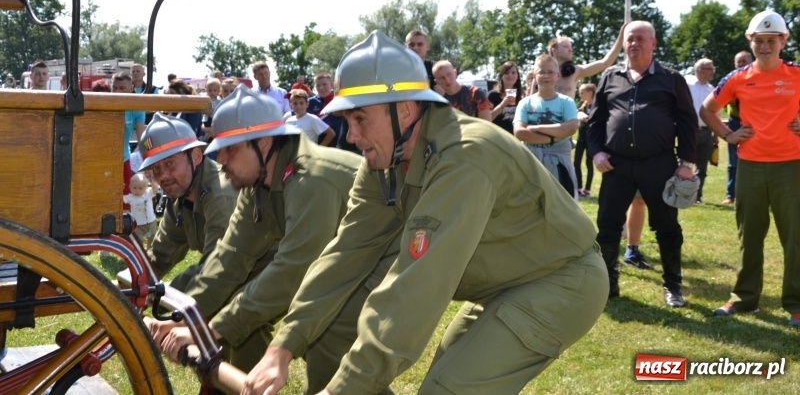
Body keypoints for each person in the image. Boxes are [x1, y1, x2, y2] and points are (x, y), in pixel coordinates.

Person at [242, 31, 608, 395]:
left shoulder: (465, 157)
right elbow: (345, 253)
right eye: (347, 120)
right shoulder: (385, 162)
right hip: (504, 285)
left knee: (446, 389)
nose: (350, 136)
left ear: (403, 110)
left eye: (360, 119)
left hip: (560, 282)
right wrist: (283, 347)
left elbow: (416, 285)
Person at [149, 88, 376, 382]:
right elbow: (229, 258)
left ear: (265, 142)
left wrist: (209, 328)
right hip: (350, 265)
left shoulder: (312, 178)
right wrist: (187, 318)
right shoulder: (255, 183)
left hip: (390, 260)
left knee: (329, 343)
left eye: (231, 148)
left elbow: (293, 270)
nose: (222, 159)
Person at [700, 10, 800, 328]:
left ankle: (796, 304)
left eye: (772, 40)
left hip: (792, 166)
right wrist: (728, 135)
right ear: (750, 41)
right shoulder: (738, 77)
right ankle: (744, 299)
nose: (765, 46)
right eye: (759, 40)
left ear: (784, 40)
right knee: (750, 236)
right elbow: (707, 109)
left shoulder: (797, 74)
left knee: (795, 237)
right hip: (751, 166)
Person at [588, 20, 697, 307]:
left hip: (659, 165)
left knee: (667, 228)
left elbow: (688, 123)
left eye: (640, 39)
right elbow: (596, 122)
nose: (633, 44)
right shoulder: (610, 77)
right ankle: (608, 284)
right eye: (629, 39)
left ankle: (672, 286)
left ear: (653, 43)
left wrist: (686, 162)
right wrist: (597, 152)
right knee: (608, 226)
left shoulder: (672, 79)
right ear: (623, 44)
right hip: (617, 166)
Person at [138, 113, 238, 291]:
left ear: (197, 156)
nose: (163, 176)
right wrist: (130, 285)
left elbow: (216, 269)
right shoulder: (180, 195)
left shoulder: (221, 195)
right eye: (156, 168)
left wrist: (158, 295)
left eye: (170, 164)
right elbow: (161, 254)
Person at [514, 54, 580, 198]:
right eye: (541, 72)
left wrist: (535, 128)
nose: (546, 76)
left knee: (563, 208)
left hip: (560, 163)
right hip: (531, 163)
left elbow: (570, 128)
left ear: (558, 75)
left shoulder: (566, 102)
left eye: (550, 72)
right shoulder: (525, 103)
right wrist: (552, 138)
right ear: (534, 76)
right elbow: (519, 132)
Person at [548, 26, 624, 99]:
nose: (570, 50)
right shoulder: (541, 72)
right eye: (565, 46)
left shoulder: (576, 71)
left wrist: (621, 37)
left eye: (570, 47)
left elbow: (605, 63)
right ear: (554, 50)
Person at [721, 51, 754, 204]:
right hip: (735, 122)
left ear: (751, 61)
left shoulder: (758, 77)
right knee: (733, 162)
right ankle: (730, 195)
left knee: (756, 161)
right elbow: (727, 100)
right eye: (738, 61)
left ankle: (753, 195)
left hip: (755, 122)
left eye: (744, 60)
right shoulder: (731, 79)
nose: (741, 64)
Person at [687, 58, 717, 203]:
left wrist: (715, 135)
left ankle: (696, 196)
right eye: (710, 69)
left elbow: (715, 113)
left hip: (706, 132)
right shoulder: (687, 85)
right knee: (684, 164)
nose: (713, 71)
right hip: (688, 131)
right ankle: (682, 193)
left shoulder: (711, 90)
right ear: (700, 70)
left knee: (702, 168)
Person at [113, 72, 146, 200]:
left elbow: (142, 138)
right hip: (103, 158)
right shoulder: (104, 104)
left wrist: (148, 163)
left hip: (123, 158)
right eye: (115, 88)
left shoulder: (137, 107)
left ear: (131, 88)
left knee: (128, 198)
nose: (117, 92)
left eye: (122, 88)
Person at [307, 72, 343, 146]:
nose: (321, 88)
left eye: (324, 84)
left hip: (339, 143)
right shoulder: (310, 102)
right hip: (319, 143)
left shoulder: (340, 99)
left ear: (332, 84)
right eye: (318, 85)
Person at [487, 61, 523, 134]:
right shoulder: (493, 95)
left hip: (514, 138)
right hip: (497, 136)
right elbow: (486, 119)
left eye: (513, 73)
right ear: (501, 76)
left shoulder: (519, 96)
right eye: (507, 73)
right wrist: (501, 105)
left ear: (517, 76)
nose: (510, 75)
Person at [124, 173, 157, 250]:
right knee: (138, 240)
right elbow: (120, 198)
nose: (137, 191)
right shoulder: (130, 197)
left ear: (146, 188)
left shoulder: (148, 193)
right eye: (134, 188)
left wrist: (152, 182)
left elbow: (155, 189)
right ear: (130, 187)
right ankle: (140, 252)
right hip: (137, 224)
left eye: (140, 188)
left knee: (152, 238)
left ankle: (150, 251)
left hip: (150, 222)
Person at [574, 83, 596, 197]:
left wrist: (586, 119)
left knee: (589, 163)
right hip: (581, 138)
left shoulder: (596, 106)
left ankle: (587, 189)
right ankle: (578, 187)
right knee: (576, 162)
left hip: (591, 139)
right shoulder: (583, 105)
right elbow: (576, 113)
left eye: (582, 92)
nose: (580, 94)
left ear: (590, 93)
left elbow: (596, 122)